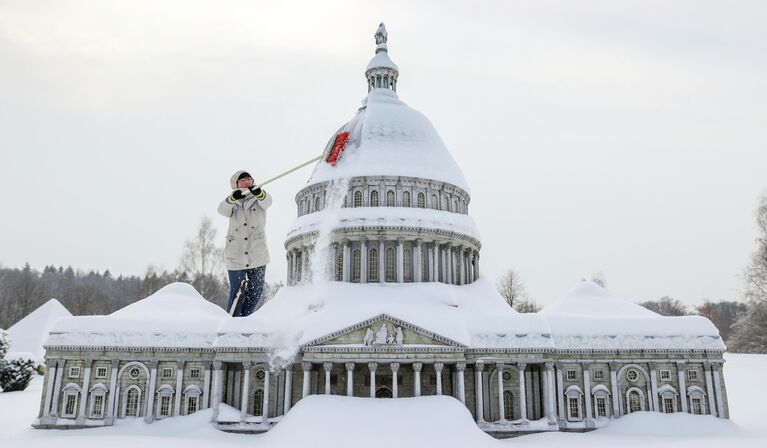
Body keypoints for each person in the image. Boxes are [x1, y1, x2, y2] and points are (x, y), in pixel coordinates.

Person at [217, 170, 272, 317]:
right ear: (236, 184)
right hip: (236, 255)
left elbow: (268, 201)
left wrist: (259, 193)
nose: (247, 181)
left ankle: (245, 321)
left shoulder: (259, 197)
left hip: (257, 253)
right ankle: (232, 322)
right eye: (243, 180)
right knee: (237, 293)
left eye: (249, 179)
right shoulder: (232, 203)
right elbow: (222, 210)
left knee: (256, 291)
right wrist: (231, 199)